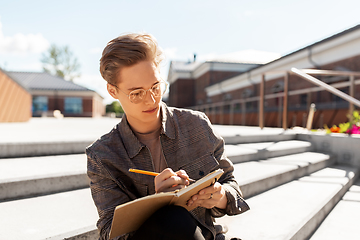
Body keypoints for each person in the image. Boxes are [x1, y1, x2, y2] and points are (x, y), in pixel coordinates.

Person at [86, 33, 249, 240]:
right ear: (112, 91)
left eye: (156, 86)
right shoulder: (103, 155)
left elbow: (230, 184)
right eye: (137, 93)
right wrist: (158, 203)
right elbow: (111, 232)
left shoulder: (196, 125)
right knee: (173, 218)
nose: (151, 99)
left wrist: (219, 196)